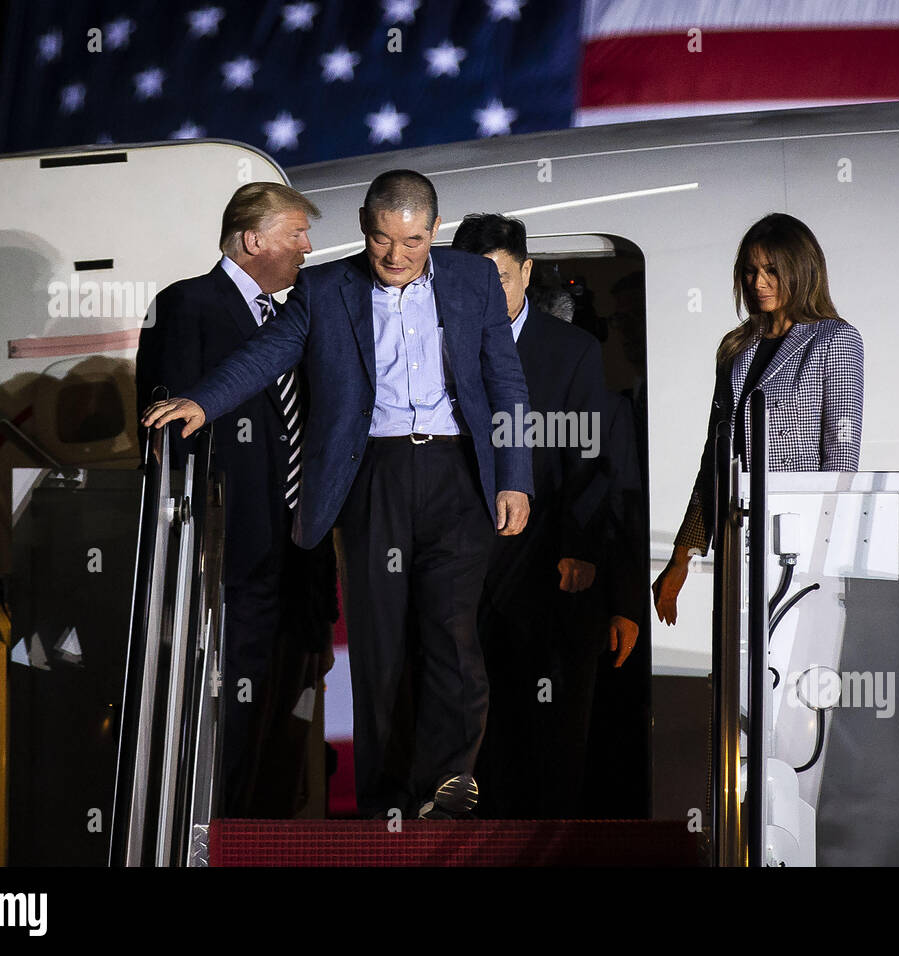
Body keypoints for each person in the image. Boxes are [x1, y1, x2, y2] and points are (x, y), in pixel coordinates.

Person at [141, 171, 533, 820]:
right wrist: (201, 401)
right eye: (381, 239)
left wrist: (516, 475)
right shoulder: (326, 289)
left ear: (433, 231)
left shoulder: (472, 281)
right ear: (362, 227)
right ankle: (385, 797)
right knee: (378, 646)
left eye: (410, 240)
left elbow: (507, 381)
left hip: (457, 476)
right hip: (372, 479)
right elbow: (264, 354)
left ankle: (450, 779)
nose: (395, 255)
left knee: (450, 633)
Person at [135, 181, 337, 817]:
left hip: (299, 553)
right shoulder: (188, 304)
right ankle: (214, 836)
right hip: (228, 554)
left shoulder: (299, 312)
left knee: (287, 708)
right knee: (227, 718)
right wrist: (197, 540)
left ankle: (264, 837)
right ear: (255, 240)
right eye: (297, 233)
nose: (308, 247)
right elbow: (168, 428)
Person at [451, 213, 617, 818]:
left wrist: (581, 545)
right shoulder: (440, 345)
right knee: (469, 718)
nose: (487, 295)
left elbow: (590, 459)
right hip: (462, 560)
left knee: (545, 721)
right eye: (473, 281)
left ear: (525, 271)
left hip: (545, 560)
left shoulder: (572, 350)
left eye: (499, 278)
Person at [652, 213, 864, 625]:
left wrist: (821, 554)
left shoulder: (834, 339)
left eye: (771, 270)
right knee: (736, 675)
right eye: (749, 271)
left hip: (797, 553)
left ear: (801, 271)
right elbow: (713, 459)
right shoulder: (735, 347)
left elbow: (841, 456)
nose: (758, 282)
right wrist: (682, 558)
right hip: (737, 544)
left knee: (786, 675)